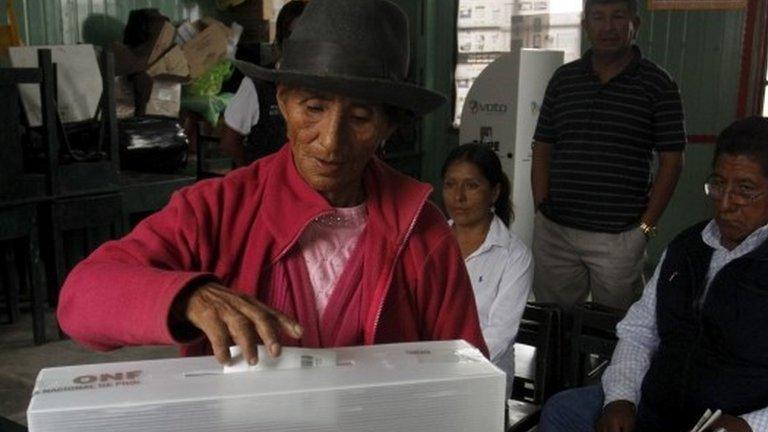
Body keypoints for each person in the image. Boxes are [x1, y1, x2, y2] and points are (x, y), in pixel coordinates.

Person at [57, 0, 489, 366]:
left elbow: (466, 371)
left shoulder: (422, 230)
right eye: (313, 107)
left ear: (387, 127)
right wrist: (187, 296)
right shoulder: (218, 208)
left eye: (359, 118)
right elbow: (81, 298)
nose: (330, 140)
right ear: (283, 103)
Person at [539, 117, 768, 432]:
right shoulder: (686, 248)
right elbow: (639, 332)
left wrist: (749, 426)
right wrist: (621, 399)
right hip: (657, 406)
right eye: (717, 185)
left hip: (727, 423)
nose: (726, 203)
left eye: (745, 190)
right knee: (563, 411)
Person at [531, 0, 686, 311]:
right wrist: (541, 208)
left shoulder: (658, 84)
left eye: (618, 16)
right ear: (586, 25)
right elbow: (543, 147)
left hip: (619, 237)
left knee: (618, 329)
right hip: (556, 231)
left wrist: (645, 228)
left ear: (635, 25)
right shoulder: (563, 80)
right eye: (598, 17)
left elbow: (672, 160)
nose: (608, 26)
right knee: (555, 325)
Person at [441, 143, 533, 394]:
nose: (458, 197)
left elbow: (499, 335)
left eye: (471, 186)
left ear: (494, 192)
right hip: (427, 370)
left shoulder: (514, 255)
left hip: (484, 377)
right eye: (450, 184)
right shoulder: (430, 242)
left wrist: (447, 371)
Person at [219, 0, 306, 166]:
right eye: (294, 37)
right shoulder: (257, 85)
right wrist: (257, 179)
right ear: (281, 39)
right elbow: (229, 144)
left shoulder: (323, 89)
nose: (301, 46)